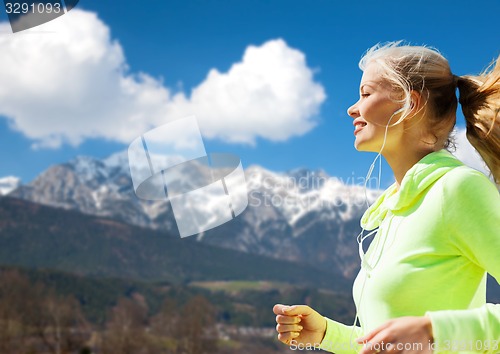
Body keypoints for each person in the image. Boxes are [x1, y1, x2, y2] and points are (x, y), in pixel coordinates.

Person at [273, 41, 500, 354]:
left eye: (366, 94)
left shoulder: (457, 189)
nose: (352, 108)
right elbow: (391, 343)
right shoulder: (397, 208)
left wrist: (436, 331)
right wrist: (326, 333)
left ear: (411, 104)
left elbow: (423, 338)